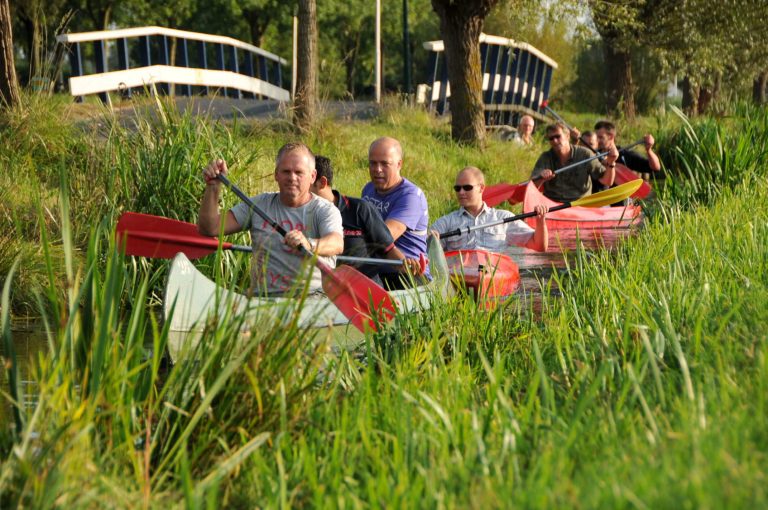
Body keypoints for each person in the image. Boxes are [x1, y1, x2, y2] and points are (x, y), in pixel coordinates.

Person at [198, 142, 343, 296]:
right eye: (286, 171)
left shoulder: (325, 210)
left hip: (311, 298)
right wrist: (213, 187)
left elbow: (336, 243)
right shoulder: (258, 204)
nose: (292, 178)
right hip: (263, 299)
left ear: (312, 176)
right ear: (276, 174)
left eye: (299, 172)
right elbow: (210, 228)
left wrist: (309, 244)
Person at [310, 155, 423, 281]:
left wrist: (405, 264)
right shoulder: (300, 212)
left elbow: (388, 249)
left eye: (304, 182)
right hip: (321, 289)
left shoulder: (360, 209)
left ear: (322, 182)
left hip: (365, 289)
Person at [362, 137, 430, 289]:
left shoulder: (411, 196)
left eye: (385, 164)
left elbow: (384, 237)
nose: (377, 169)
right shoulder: (368, 189)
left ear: (399, 164)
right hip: (376, 269)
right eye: (373, 163)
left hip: (408, 273)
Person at [431, 166, 549, 252]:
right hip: (459, 275)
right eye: (457, 188)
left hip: (493, 274)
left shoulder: (504, 218)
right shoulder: (446, 222)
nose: (461, 192)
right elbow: (424, 247)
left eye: (467, 188)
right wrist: (431, 239)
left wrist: (540, 221)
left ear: (481, 188)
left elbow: (539, 245)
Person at [530, 123, 618, 203]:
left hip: (580, 205)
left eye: (558, 136)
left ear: (567, 136)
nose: (555, 141)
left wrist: (611, 162)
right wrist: (541, 178)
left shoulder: (585, 154)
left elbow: (607, 181)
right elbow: (532, 186)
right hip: (552, 204)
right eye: (551, 138)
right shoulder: (546, 157)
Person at [594, 120, 661, 177]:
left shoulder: (625, 155)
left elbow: (655, 168)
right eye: (596, 137)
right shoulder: (593, 155)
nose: (597, 140)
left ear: (611, 137)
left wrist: (648, 150)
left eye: (600, 137)